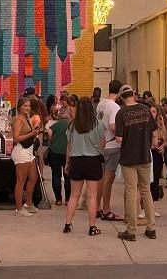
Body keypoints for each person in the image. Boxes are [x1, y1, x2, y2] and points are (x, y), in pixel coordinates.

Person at [115, 85, 158, 241]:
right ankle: (151, 227)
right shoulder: (146, 109)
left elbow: (119, 139)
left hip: (128, 157)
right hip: (144, 155)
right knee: (146, 191)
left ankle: (131, 230)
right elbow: (154, 132)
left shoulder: (121, 113)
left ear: (121, 97)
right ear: (133, 94)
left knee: (131, 192)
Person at [63, 97, 106, 236]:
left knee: (74, 195)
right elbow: (103, 143)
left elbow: (69, 146)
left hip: (76, 161)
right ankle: (92, 227)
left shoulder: (72, 126)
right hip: (93, 161)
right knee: (92, 196)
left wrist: (67, 163)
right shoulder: (97, 125)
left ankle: (67, 224)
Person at [97, 79, 123, 222]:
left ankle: (97, 207)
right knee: (108, 180)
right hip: (112, 145)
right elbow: (113, 126)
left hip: (101, 144)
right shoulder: (114, 107)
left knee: (101, 179)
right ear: (119, 92)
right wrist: (124, 131)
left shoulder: (101, 103)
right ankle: (106, 209)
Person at [11, 96, 41, 216]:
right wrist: (32, 134)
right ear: (19, 107)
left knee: (33, 177)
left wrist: (34, 132)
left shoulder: (26, 118)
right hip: (21, 151)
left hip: (29, 151)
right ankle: (18, 208)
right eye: (25, 106)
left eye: (29, 106)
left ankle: (28, 203)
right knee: (21, 181)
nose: (27, 108)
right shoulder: (18, 120)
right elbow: (16, 138)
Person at [46, 103, 70, 205]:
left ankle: (58, 199)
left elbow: (49, 132)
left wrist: (53, 140)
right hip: (67, 153)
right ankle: (68, 199)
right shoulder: (71, 125)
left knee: (56, 175)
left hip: (54, 151)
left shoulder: (55, 125)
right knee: (68, 176)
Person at [147, 101, 167, 203]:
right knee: (148, 181)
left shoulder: (160, 124)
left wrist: (163, 146)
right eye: (150, 112)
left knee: (155, 179)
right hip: (148, 153)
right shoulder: (146, 124)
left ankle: (153, 204)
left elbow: (165, 139)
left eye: (154, 112)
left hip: (157, 154)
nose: (152, 114)